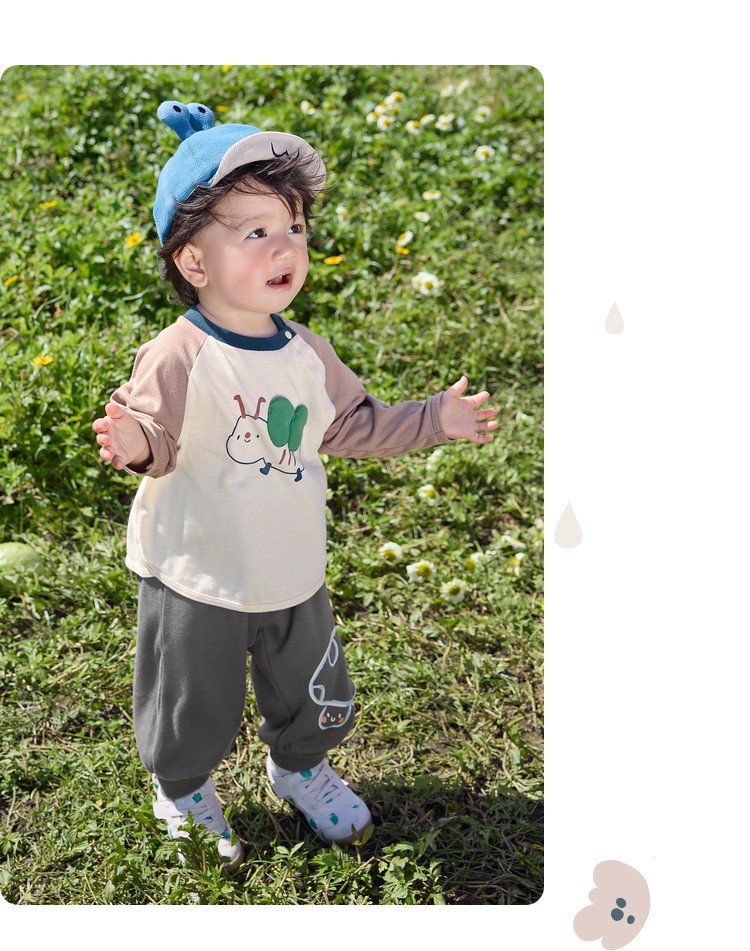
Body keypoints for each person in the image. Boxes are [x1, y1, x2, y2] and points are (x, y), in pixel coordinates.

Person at [93, 100, 497, 870]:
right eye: (256, 231)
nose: (286, 245)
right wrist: (135, 440)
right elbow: (155, 429)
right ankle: (183, 787)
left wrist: (434, 418)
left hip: (290, 567)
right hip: (198, 574)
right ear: (194, 262)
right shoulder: (179, 354)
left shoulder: (306, 352)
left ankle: (301, 765)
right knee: (192, 696)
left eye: (294, 226)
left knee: (312, 683)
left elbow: (352, 424)